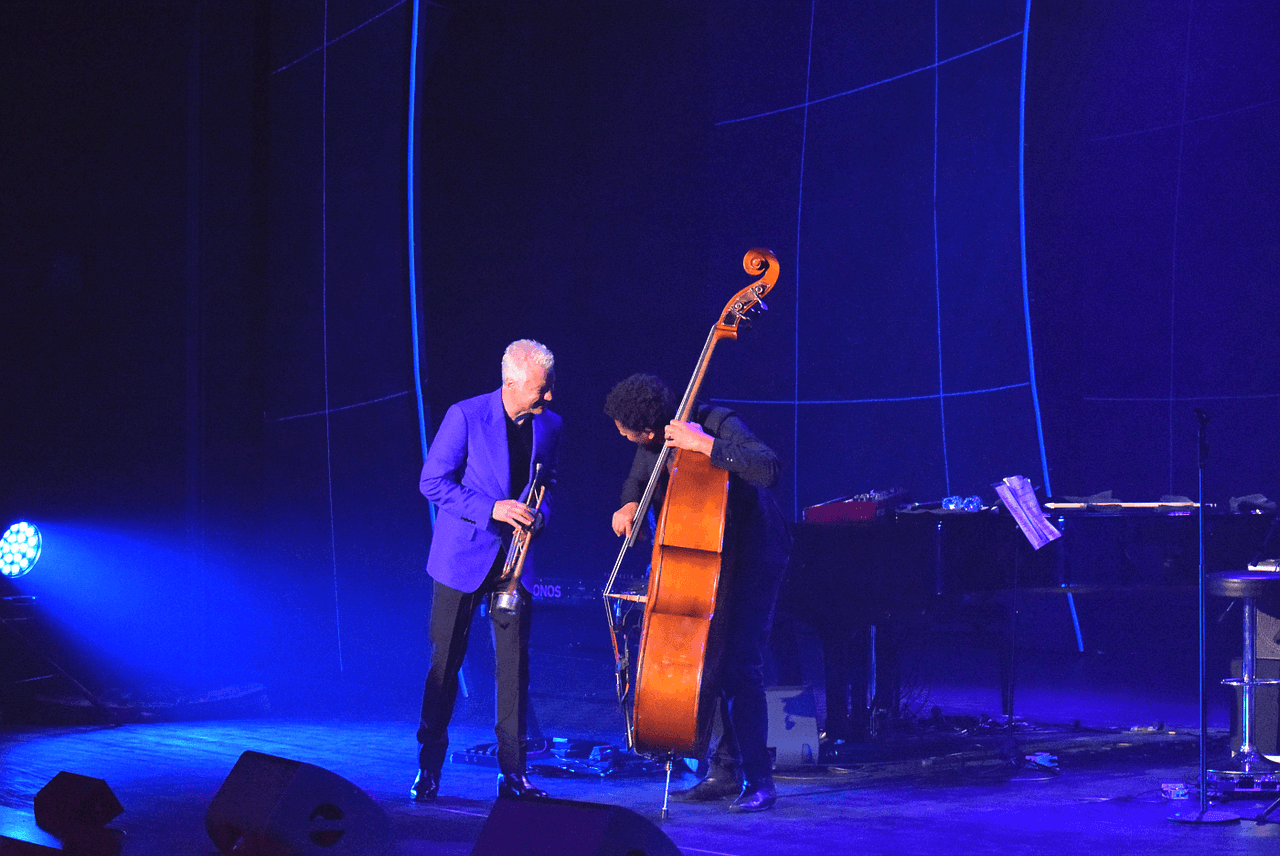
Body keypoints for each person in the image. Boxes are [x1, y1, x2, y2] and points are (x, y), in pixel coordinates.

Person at [604, 373, 791, 812]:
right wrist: (629, 504)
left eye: (630, 433)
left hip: (753, 555)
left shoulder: (717, 422)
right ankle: (724, 771)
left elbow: (769, 468)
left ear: (649, 429)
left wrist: (706, 445)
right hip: (705, 558)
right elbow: (637, 476)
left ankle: (760, 781)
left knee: (740, 664)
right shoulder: (653, 443)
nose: (626, 439)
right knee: (710, 661)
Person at [412, 339, 561, 802]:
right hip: (461, 559)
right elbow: (432, 481)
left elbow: (549, 487)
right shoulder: (465, 415)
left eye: (550, 386)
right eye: (541, 388)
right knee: (445, 663)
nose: (549, 396)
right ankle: (429, 767)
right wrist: (492, 509)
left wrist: (541, 516)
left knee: (514, 670)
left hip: (515, 562)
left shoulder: (550, 424)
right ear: (511, 382)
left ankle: (514, 774)